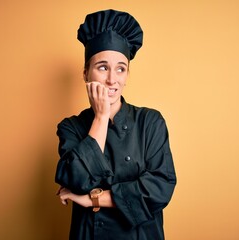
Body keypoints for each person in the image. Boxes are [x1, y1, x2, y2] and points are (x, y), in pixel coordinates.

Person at [55, 9, 177, 240]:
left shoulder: (150, 122)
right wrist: (101, 117)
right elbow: (77, 179)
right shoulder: (70, 127)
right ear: (85, 73)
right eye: (102, 67)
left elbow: (160, 188)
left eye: (120, 68)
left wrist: (93, 199)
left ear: (127, 74)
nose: (112, 79)